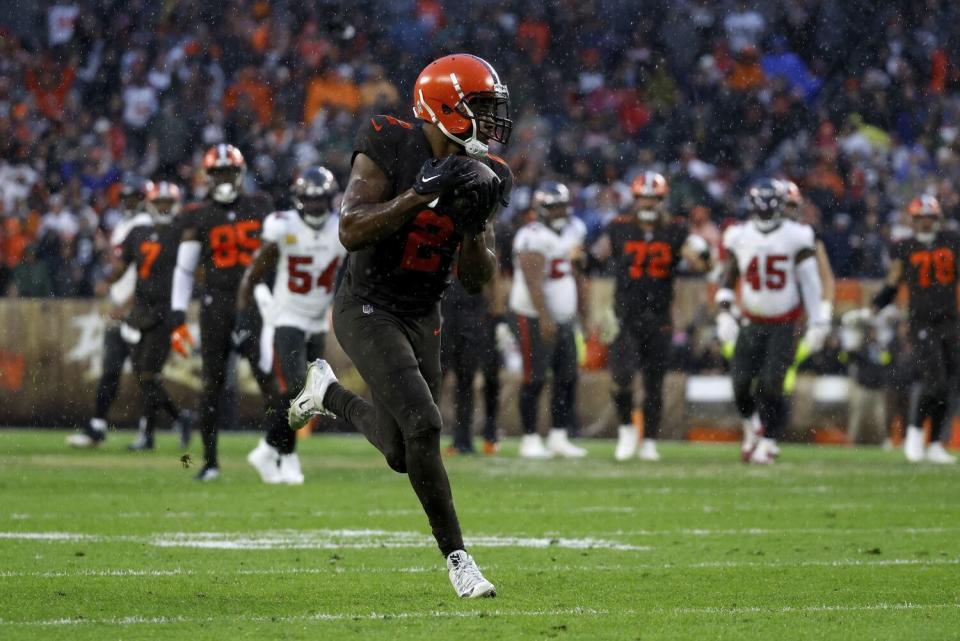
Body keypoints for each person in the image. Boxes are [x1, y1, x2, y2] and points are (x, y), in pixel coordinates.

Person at [287, 54, 511, 598]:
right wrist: (420, 193)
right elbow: (351, 229)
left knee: (400, 448)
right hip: (366, 304)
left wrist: (475, 224)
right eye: (479, 107)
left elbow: (478, 280)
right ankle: (460, 560)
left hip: (422, 312)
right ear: (443, 108)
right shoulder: (388, 138)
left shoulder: (490, 175)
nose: (490, 120)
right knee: (427, 427)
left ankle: (326, 394)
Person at [169, 144, 288, 481]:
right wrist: (178, 318)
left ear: (240, 173)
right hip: (216, 304)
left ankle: (277, 453)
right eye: (218, 172)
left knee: (269, 379)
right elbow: (185, 269)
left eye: (229, 172)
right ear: (208, 176)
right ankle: (209, 462)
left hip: (256, 301)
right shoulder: (198, 214)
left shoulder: (260, 205)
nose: (224, 178)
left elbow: (279, 255)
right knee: (212, 384)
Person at [237, 166, 347, 484]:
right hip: (286, 318)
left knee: (308, 393)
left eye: (320, 200)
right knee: (300, 388)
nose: (314, 206)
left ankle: (271, 449)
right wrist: (245, 318)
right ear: (299, 201)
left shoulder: (340, 231)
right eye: (309, 200)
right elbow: (254, 273)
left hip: (316, 321)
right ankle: (287, 456)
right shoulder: (283, 227)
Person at [592, 172, 710, 462]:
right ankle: (626, 430)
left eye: (654, 198)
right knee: (620, 379)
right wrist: (580, 256)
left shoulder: (676, 229)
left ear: (662, 200)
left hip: (659, 316)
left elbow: (702, 263)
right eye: (644, 197)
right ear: (635, 199)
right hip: (624, 315)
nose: (648, 202)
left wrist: (701, 256)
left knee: (655, 383)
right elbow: (593, 257)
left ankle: (649, 442)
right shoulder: (619, 227)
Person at [68, 176, 192, 448]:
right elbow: (126, 266)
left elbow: (159, 275)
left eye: (135, 198)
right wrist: (108, 284)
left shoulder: (176, 232)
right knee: (136, 374)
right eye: (127, 199)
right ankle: (163, 422)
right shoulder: (136, 230)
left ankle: (155, 427)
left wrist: (124, 302)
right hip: (135, 311)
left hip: (153, 311)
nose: (130, 204)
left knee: (145, 375)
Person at [715, 179, 829, 464]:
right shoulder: (739, 235)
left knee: (771, 384)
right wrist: (724, 311)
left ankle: (768, 440)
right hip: (750, 321)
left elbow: (810, 282)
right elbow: (729, 276)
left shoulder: (797, 235)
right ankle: (754, 426)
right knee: (740, 383)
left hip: (783, 322)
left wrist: (818, 321)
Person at [869, 196, 958, 464]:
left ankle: (934, 444)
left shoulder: (952, 241)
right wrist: (873, 308)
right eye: (921, 218)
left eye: (929, 217)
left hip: (950, 321)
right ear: (912, 220)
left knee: (948, 386)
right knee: (935, 382)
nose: (925, 222)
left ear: (937, 218)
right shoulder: (905, 247)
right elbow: (893, 281)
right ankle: (915, 433)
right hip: (921, 323)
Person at [509, 181, 588, 459]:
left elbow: (577, 272)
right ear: (541, 209)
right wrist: (544, 318)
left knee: (567, 377)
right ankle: (529, 438)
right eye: (554, 207)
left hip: (564, 318)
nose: (560, 212)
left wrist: (583, 314)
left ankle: (558, 436)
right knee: (535, 378)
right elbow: (533, 282)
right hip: (533, 315)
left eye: (563, 206)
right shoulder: (531, 236)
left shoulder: (576, 229)